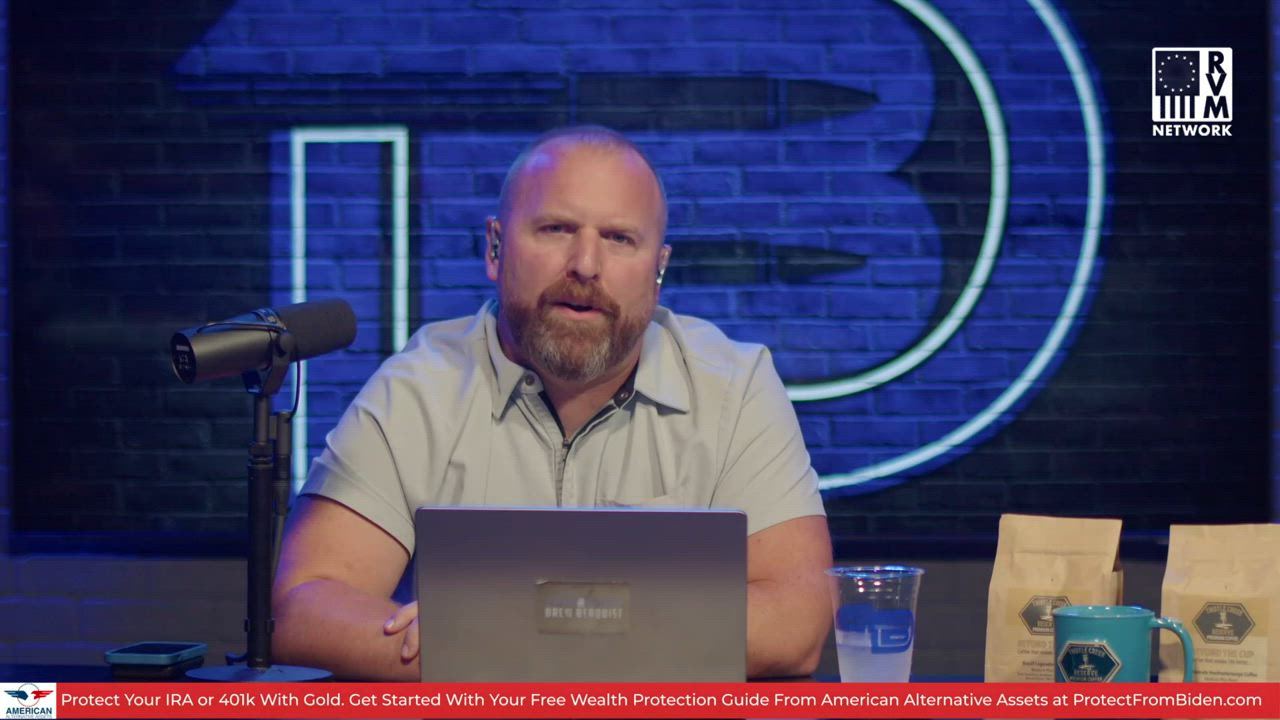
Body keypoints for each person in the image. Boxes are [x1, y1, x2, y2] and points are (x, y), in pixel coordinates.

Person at [271, 126, 833, 680]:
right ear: (495, 248)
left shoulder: (734, 386)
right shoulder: (418, 387)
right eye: (556, 228)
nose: (585, 264)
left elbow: (796, 621)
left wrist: (495, 637)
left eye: (619, 238)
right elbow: (306, 604)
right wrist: (630, 636)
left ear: (658, 268)